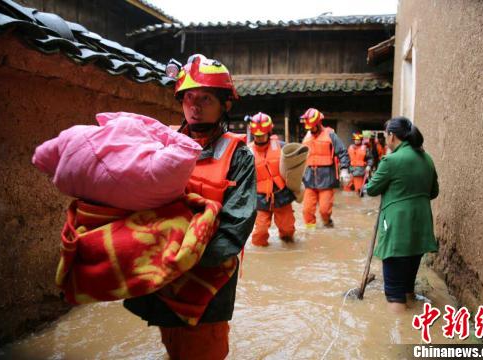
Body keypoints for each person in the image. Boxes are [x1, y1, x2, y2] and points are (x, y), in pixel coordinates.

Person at [123, 54, 257, 360]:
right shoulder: (162, 144)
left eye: (206, 98)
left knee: (204, 349)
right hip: (162, 271)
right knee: (173, 342)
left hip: (207, 274)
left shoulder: (239, 157)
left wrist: (183, 259)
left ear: (225, 104)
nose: (194, 106)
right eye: (189, 97)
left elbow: (236, 225)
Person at [366, 116, 439, 314]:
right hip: (421, 228)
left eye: (386, 135)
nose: (385, 140)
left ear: (392, 136)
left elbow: (371, 189)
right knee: (407, 288)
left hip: (398, 230)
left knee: (394, 294)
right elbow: (433, 192)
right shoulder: (427, 159)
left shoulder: (391, 160)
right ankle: (413, 330)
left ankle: (397, 338)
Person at [248, 112, 296, 246]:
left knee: (288, 230)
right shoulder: (247, 152)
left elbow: (296, 162)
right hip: (260, 196)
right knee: (260, 233)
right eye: (257, 136)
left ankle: (288, 249)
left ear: (269, 132)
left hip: (281, 193)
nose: (259, 138)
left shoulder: (281, 146)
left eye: (262, 135)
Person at [300, 108, 350, 228]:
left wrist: (344, 169)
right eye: (308, 128)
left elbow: (342, 152)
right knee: (307, 211)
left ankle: (328, 223)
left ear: (318, 123)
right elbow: (301, 159)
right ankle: (311, 233)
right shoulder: (306, 138)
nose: (310, 130)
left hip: (326, 179)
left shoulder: (330, 135)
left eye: (312, 127)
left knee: (324, 210)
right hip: (309, 179)